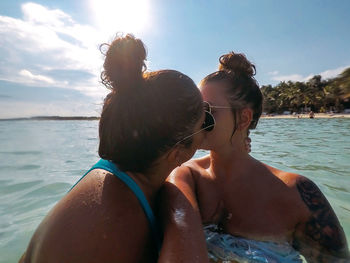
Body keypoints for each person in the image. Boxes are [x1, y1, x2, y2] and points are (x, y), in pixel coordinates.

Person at [19, 34, 215, 263]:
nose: (209, 129)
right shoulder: (121, 222)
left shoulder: (114, 174)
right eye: (206, 122)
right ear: (177, 153)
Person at [163, 52, 350, 262]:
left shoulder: (296, 194)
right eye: (195, 111)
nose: (197, 120)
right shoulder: (187, 176)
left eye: (208, 111)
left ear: (243, 119)